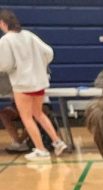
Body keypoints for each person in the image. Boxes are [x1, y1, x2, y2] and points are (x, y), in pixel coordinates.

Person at [0, 9, 67, 161]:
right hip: (39, 82)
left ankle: (41, 149)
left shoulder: (6, 40)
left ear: (3, 23)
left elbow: (5, 65)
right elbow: (49, 52)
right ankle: (57, 142)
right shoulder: (29, 35)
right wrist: (38, 65)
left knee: (27, 118)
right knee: (39, 113)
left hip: (22, 84)